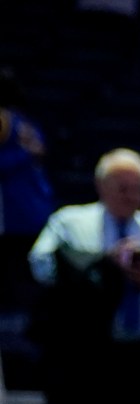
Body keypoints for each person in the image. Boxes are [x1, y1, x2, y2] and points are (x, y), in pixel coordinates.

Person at [28, 149, 140, 404]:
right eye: (123, 188)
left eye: (138, 189)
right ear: (100, 185)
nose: (131, 196)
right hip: (81, 350)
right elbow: (41, 267)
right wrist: (98, 264)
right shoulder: (69, 222)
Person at [0, 74, 56, 310]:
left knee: (18, 277)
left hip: (18, 211)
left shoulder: (8, 120)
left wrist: (25, 156)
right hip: (32, 208)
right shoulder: (27, 122)